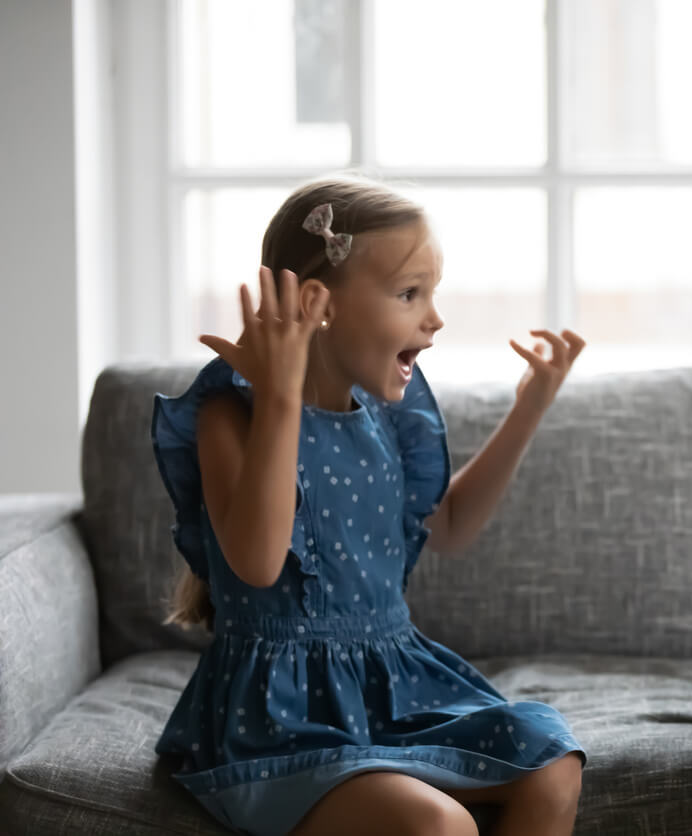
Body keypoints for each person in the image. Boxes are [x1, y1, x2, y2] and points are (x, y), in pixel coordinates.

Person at [152, 175, 587, 836]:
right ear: (318, 303)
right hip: (282, 717)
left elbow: (450, 526)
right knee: (439, 825)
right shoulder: (230, 414)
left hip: (393, 688)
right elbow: (259, 564)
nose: (434, 319)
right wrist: (280, 395)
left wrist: (529, 407)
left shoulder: (389, 414)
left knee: (553, 768)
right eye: (410, 294)